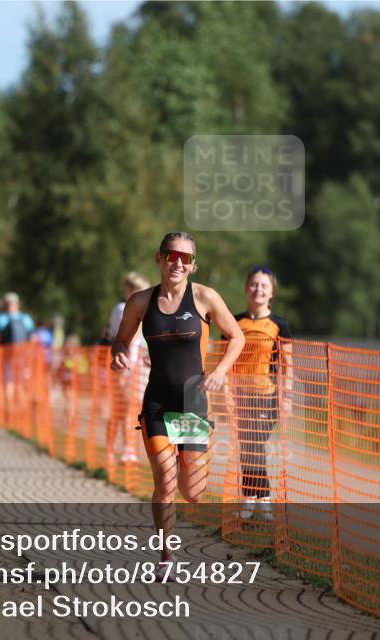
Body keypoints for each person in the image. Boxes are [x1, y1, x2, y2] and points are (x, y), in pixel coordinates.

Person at [111, 232, 245, 579]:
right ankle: (166, 557)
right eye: (172, 255)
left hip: (192, 403)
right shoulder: (141, 302)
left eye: (185, 258)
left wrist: (219, 372)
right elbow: (121, 341)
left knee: (193, 490)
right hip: (157, 401)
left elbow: (237, 337)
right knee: (165, 480)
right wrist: (119, 355)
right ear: (160, 258)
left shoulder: (204, 297)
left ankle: (192, 470)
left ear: (193, 265)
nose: (178, 263)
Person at [229, 266, 293, 519]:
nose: (259, 290)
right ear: (247, 288)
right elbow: (224, 361)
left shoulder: (279, 325)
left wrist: (286, 398)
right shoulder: (234, 322)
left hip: (267, 395)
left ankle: (258, 500)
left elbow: (290, 365)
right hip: (240, 396)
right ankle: (254, 498)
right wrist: (226, 395)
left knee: (256, 444)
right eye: (254, 285)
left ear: (271, 293)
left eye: (264, 286)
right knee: (247, 446)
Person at [106, 272, 152, 464]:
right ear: (130, 291)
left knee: (133, 409)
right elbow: (118, 336)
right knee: (120, 409)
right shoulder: (122, 309)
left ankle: (128, 449)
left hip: (138, 364)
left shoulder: (146, 310)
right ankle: (113, 448)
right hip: (125, 361)